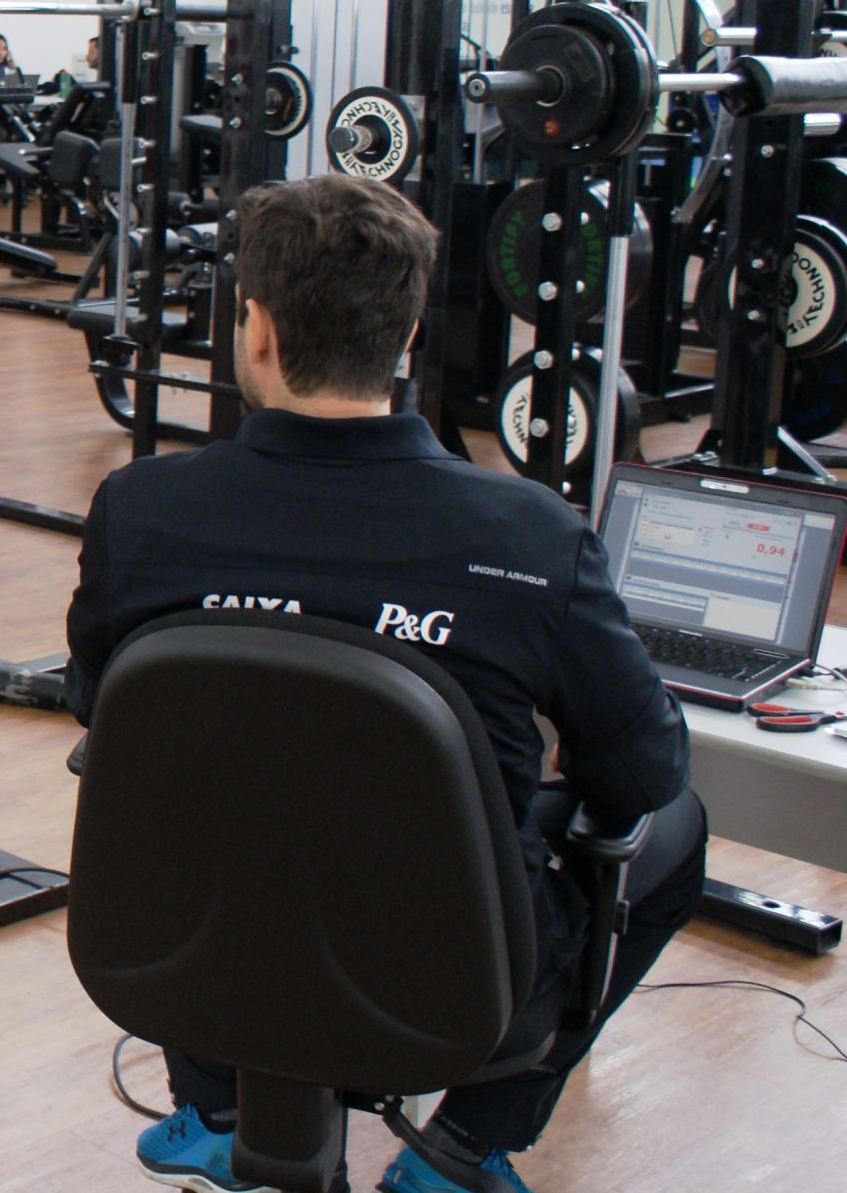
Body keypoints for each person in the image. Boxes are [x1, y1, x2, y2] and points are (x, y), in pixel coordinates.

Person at [64, 175, 703, 1193]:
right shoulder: (532, 534)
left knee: (215, 791)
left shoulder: (139, 509)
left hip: (187, 947)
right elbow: (642, 771)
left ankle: (222, 1109)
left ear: (257, 330)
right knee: (677, 826)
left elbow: (102, 709)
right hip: (444, 974)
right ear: (406, 339)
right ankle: (458, 1149)